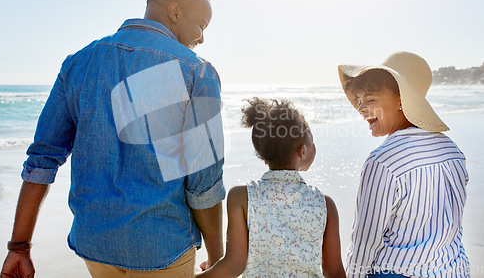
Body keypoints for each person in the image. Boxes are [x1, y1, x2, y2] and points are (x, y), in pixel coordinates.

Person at [1, 0, 225, 278]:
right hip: (163, 250)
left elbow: (42, 159)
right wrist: (217, 256)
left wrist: (19, 248)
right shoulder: (195, 71)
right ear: (175, 11)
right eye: (202, 25)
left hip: (94, 247)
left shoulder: (78, 63)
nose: (202, 38)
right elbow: (204, 184)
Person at [338, 52, 470, 278]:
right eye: (360, 101)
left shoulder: (382, 161)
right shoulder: (453, 152)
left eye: (370, 100)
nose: (360, 109)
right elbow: (451, 228)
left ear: (401, 100)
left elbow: (365, 243)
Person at [196, 98, 346, 278]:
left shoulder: (242, 197)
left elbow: (234, 265)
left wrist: (197, 276)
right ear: (303, 151)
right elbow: (334, 272)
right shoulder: (325, 204)